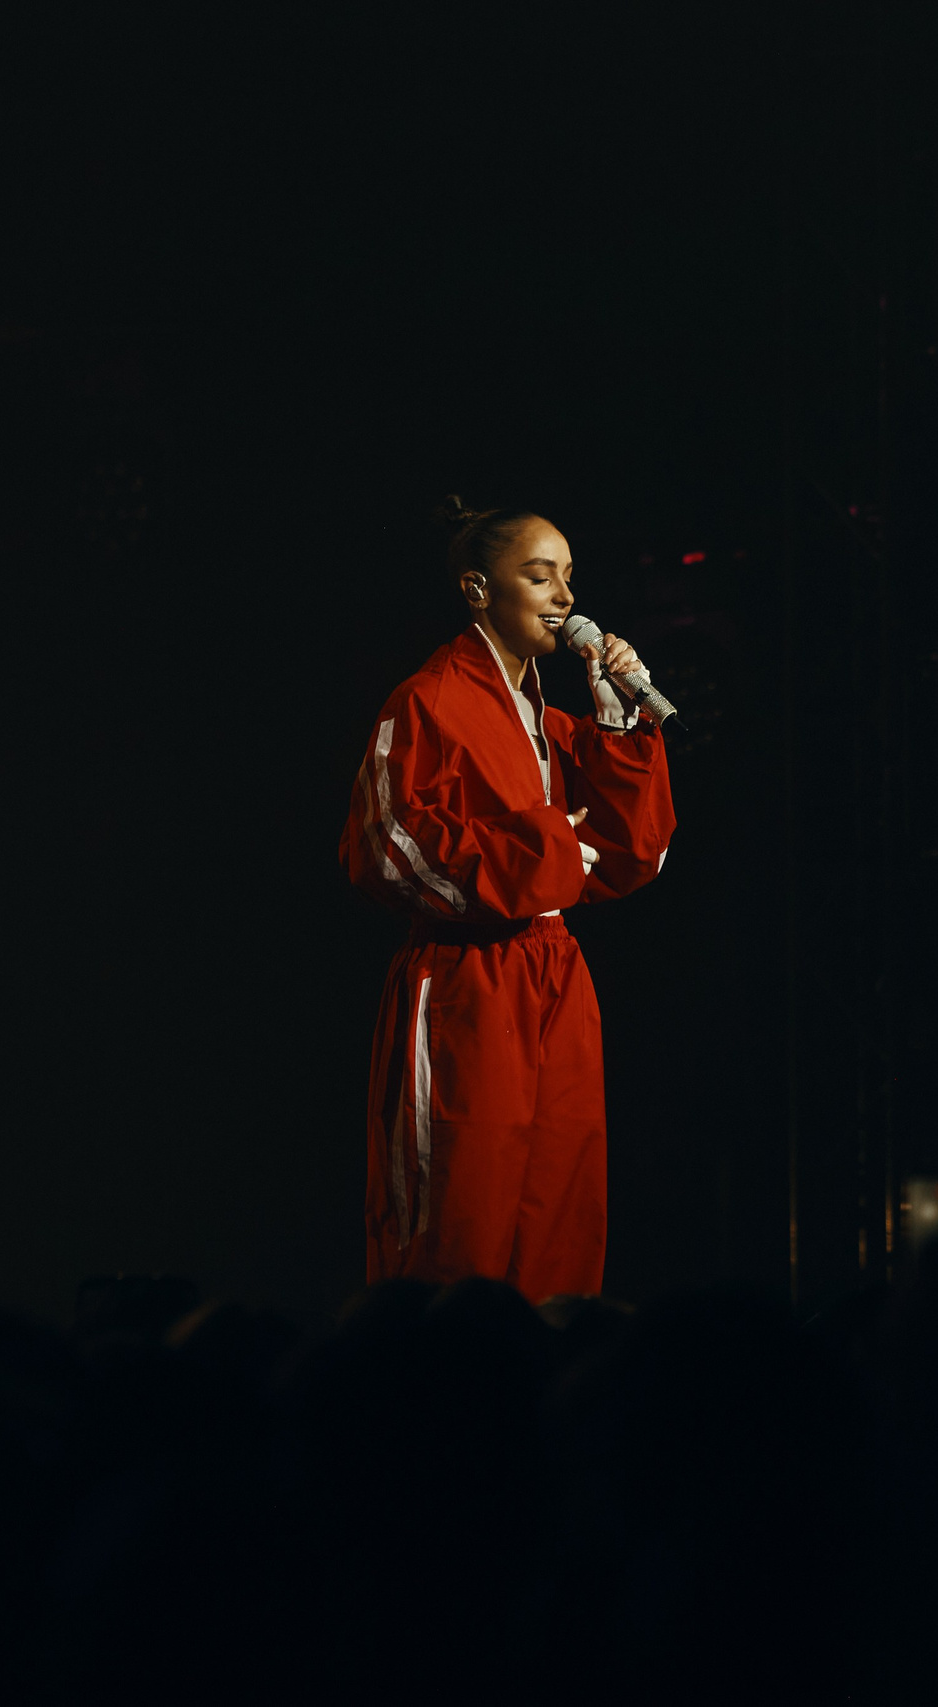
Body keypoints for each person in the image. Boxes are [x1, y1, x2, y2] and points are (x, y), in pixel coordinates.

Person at [339, 499, 675, 1300]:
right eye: (538, 574)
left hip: (553, 972)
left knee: (559, 1203)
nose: (563, 596)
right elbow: (389, 850)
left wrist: (620, 720)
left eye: (568, 575)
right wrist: (548, 847)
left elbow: (638, 852)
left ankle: (548, 1393)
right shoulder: (429, 700)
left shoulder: (546, 721)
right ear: (478, 588)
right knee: (464, 1212)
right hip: (467, 980)